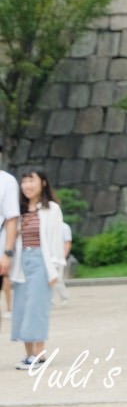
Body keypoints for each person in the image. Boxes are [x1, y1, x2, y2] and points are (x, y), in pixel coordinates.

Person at [11, 169, 64, 368]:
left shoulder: (51, 209)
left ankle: (40, 355)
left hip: (42, 261)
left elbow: (56, 240)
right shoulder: (19, 211)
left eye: (31, 180)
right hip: (21, 262)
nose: (27, 185)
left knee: (37, 308)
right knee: (22, 308)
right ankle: (28, 354)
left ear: (42, 183)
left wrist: (56, 269)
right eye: (24, 181)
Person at [0, 142, 18, 318]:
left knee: (5, 278)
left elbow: (12, 218)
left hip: (1, 242)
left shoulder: (7, 181)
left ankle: (9, 307)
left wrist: (7, 252)